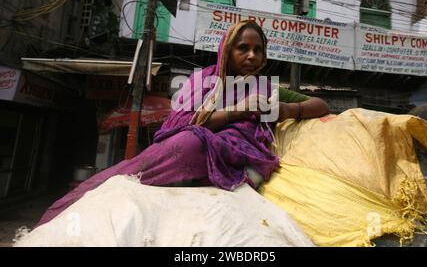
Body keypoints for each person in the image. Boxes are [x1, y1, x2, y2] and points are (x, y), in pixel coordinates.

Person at [36, 20, 329, 227]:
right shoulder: (201, 81)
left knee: (195, 145)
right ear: (227, 50)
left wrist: (286, 109)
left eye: (258, 50)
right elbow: (180, 123)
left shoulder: (266, 89)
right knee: (186, 144)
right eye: (243, 48)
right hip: (190, 149)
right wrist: (238, 111)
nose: (252, 56)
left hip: (239, 160)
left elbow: (321, 105)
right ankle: (75, 205)